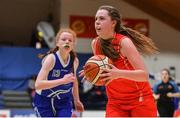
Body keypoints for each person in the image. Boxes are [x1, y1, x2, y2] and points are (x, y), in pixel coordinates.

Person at [79, 5, 158, 117]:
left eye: (102, 18)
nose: (97, 22)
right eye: (96, 19)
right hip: (115, 102)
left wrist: (118, 73)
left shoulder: (124, 42)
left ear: (113, 23)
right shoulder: (95, 44)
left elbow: (144, 75)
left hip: (140, 99)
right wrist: (92, 73)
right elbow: (104, 72)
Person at [33, 28, 84, 117]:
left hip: (64, 100)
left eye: (70, 40)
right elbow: (38, 84)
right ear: (57, 43)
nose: (67, 42)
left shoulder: (74, 61)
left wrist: (77, 100)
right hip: (44, 99)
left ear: (73, 45)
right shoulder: (51, 59)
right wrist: (62, 81)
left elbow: (74, 80)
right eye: (63, 39)